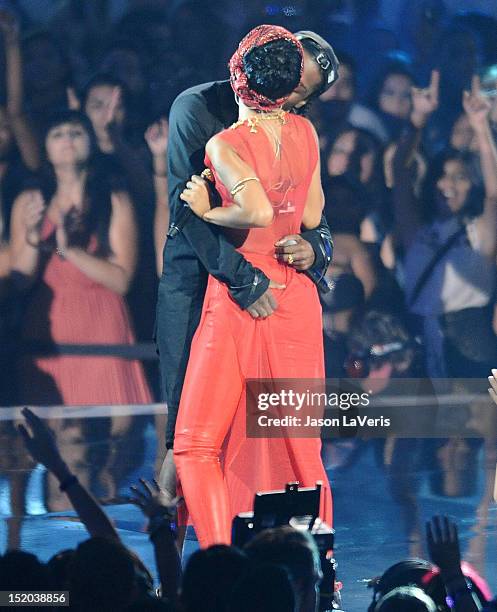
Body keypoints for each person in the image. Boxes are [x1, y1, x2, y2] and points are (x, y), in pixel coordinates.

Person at [156, 30, 338, 498]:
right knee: (185, 435)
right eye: (291, 79)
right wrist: (244, 281)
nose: (290, 95)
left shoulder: (297, 129)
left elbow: (313, 217)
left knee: (276, 434)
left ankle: (267, 552)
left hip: (268, 291)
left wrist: (314, 249)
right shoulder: (197, 111)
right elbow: (187, 213)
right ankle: (168, 559)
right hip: (202, 283)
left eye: (301, 93)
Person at [10, 110, 152, 405]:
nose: (67, 140)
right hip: (50, 324)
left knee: (113, 433)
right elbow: (21, 280)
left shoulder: (113, 199)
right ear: (46, 149)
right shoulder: (31, 201)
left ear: (91, 142)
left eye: (76, 132)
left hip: (102, 320)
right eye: (58, 134)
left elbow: (121, 279)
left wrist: (71, 251)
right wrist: (36, 239)